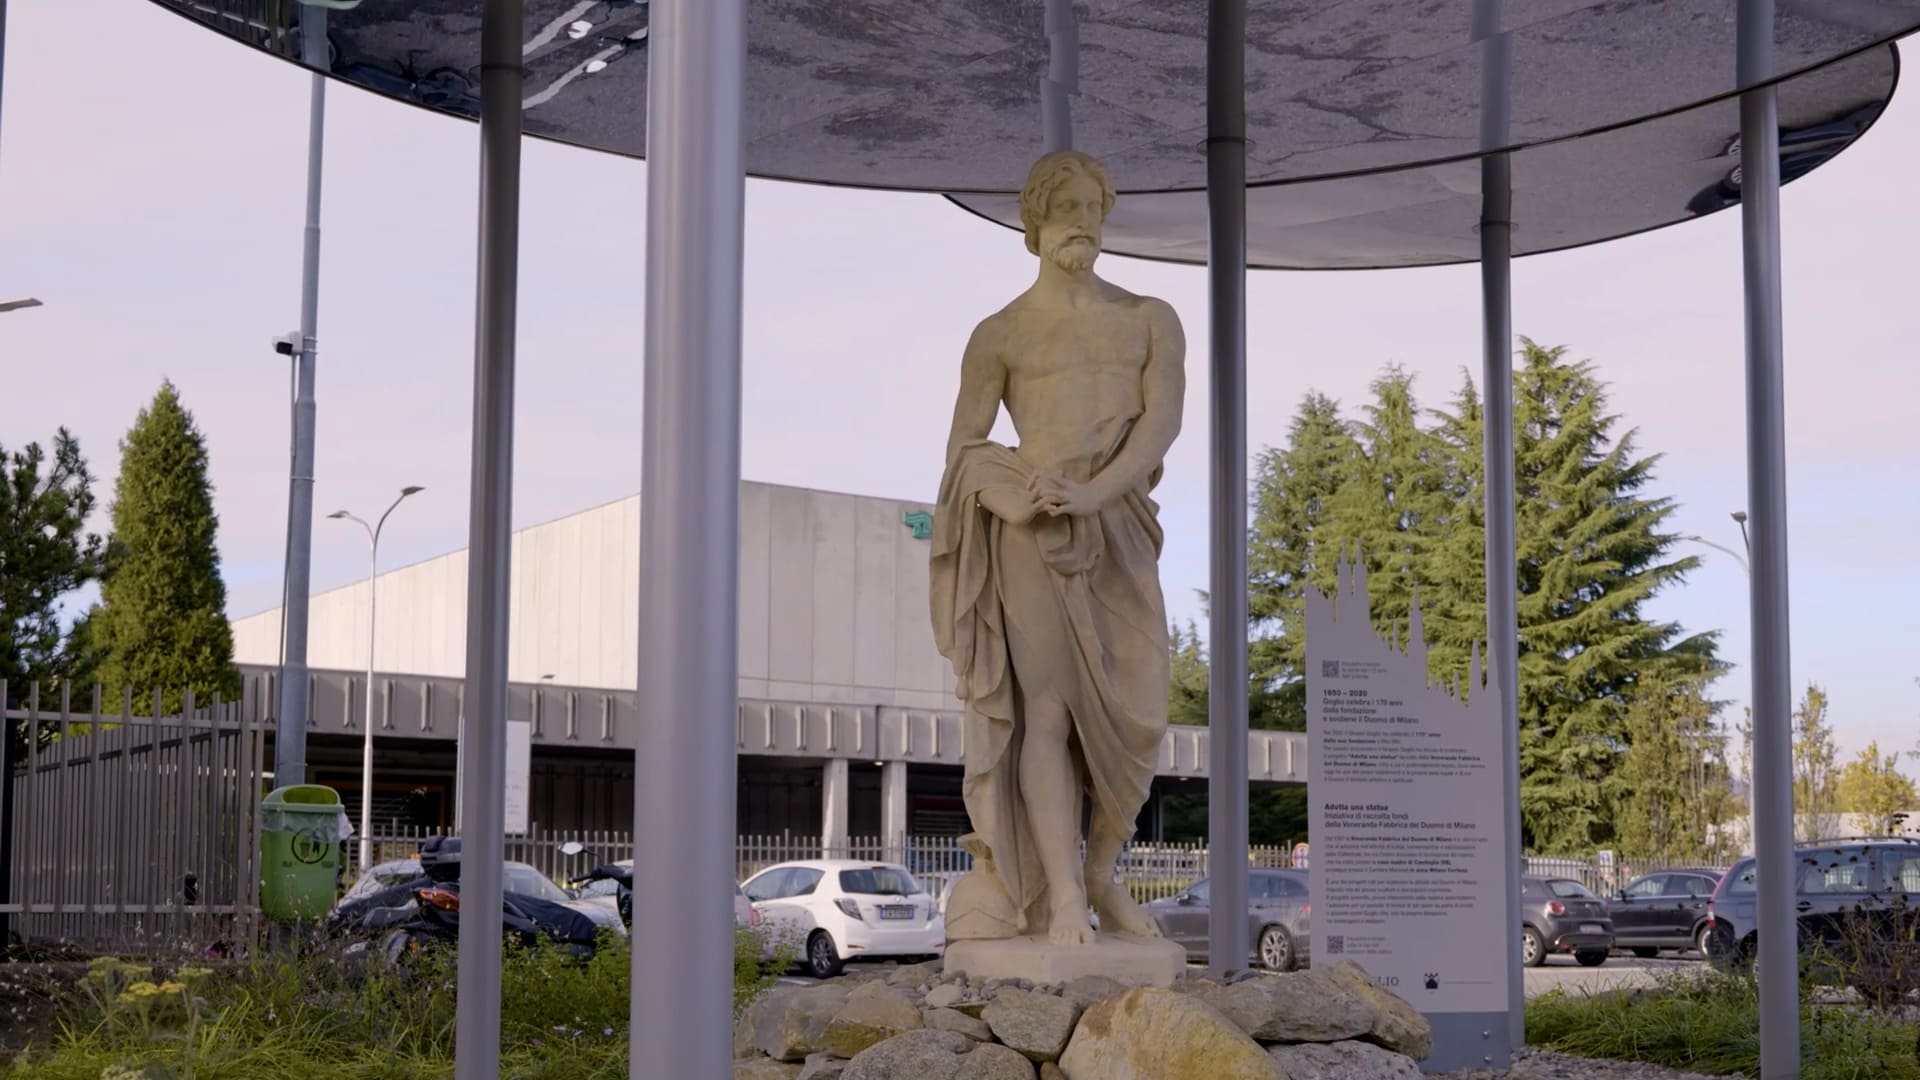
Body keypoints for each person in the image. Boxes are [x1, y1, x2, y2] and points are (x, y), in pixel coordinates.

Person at [931, 149, 1185, 947]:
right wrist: (1016, 493)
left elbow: (1162, 421)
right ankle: (1066, 898)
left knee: (1143, 712)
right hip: (1033, 534)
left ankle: (1103, 872)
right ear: (1034, 220)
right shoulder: (1000, 333)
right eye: (1065, 207)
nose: (1081, 221)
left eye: (1092, 207)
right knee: (1045, 712)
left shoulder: (1150, 317)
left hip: (1119, 526)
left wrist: (1097, 492)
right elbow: (965, 449)